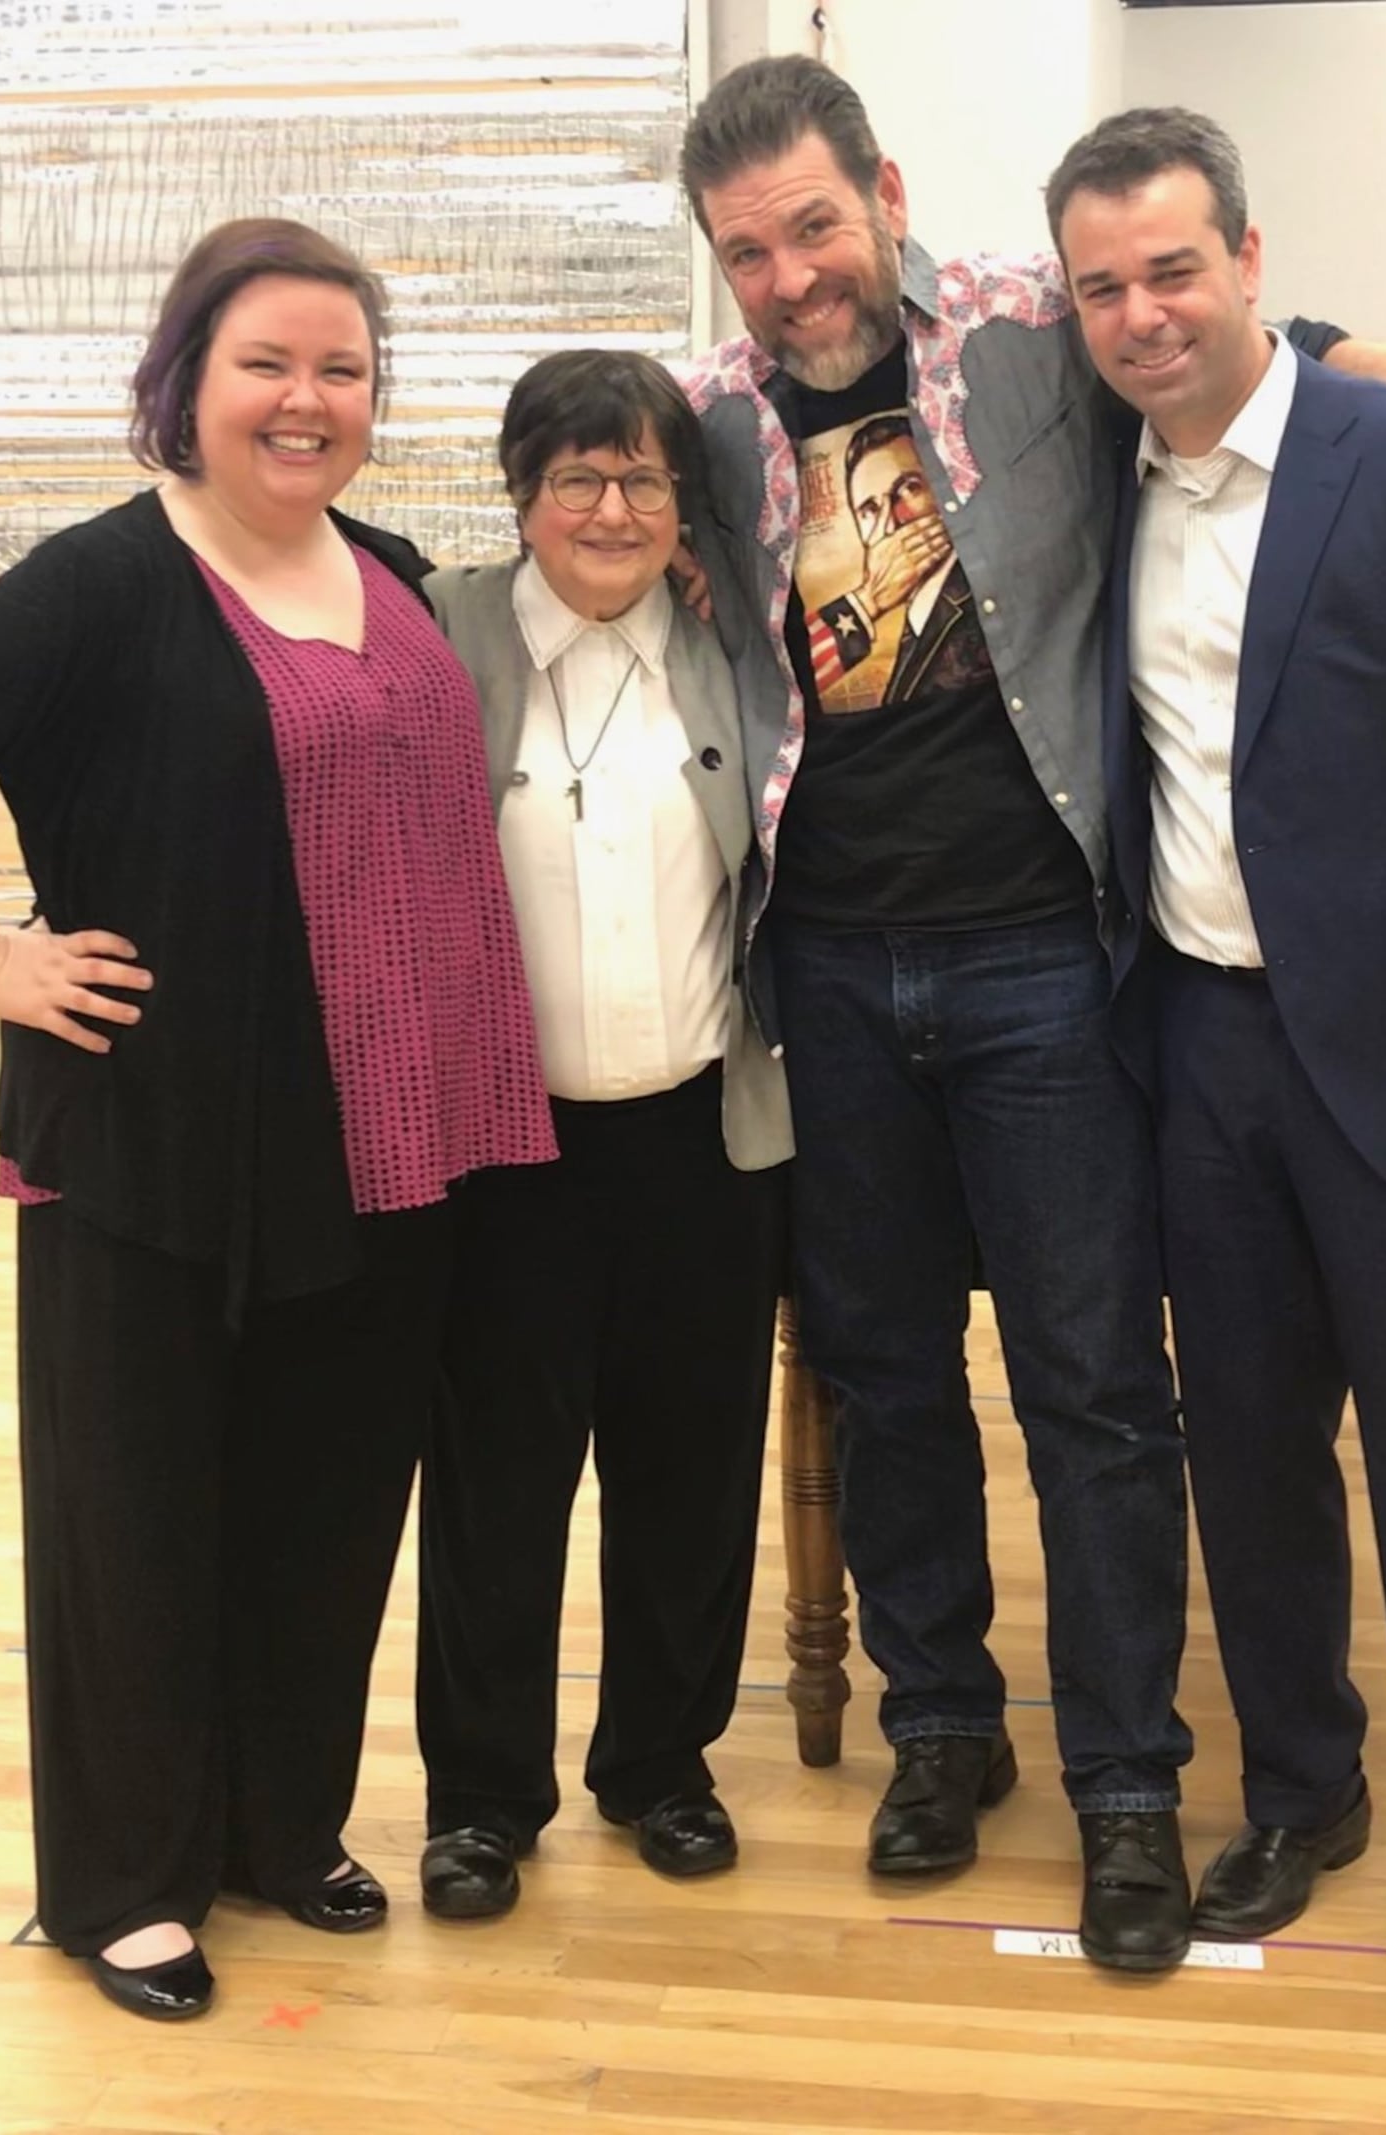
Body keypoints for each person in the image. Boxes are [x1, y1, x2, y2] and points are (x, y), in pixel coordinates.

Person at [675, 52, 1386, 1975]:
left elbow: (1257, 335)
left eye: (818, 224)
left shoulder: (1031, 326)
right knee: (897, 1372)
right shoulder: (700, 421)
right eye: (749, 251)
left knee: (1096, 1386)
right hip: (838, 962)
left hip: (1047, 960)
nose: (796, 275)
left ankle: (1138, 1786)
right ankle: (944, 1731)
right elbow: (563, 503)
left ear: (886, 196)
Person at [0, 219, 554, 2020]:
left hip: (389, 1133)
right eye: (267, 365)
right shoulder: (104, 582)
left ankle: (280, 1825)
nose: (308, 401)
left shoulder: (386, 568)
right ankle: (125, 1885)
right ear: (187, 385)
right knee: (138, 1517)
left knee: (327, 1499)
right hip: (156, 1135)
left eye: (343, 370)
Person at [1048, 106, 1386, 2056]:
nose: (1139, 314)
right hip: (1195, 1047)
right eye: (1102, 286)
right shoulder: (1087, 466)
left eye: (1172, 270)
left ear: (1250, 261)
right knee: (1242, 1458)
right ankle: (1299, 1793)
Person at [414, 350, 792, 1920]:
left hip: (706, 1138)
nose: (614, 508)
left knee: (691, 1471)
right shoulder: (442, 634)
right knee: (500, 1476)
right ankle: (482, 1800)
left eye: (645, 478)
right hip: (507, 1147)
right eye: (577, 476)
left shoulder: (731, 643)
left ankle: (662, 1764)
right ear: (520, 495)